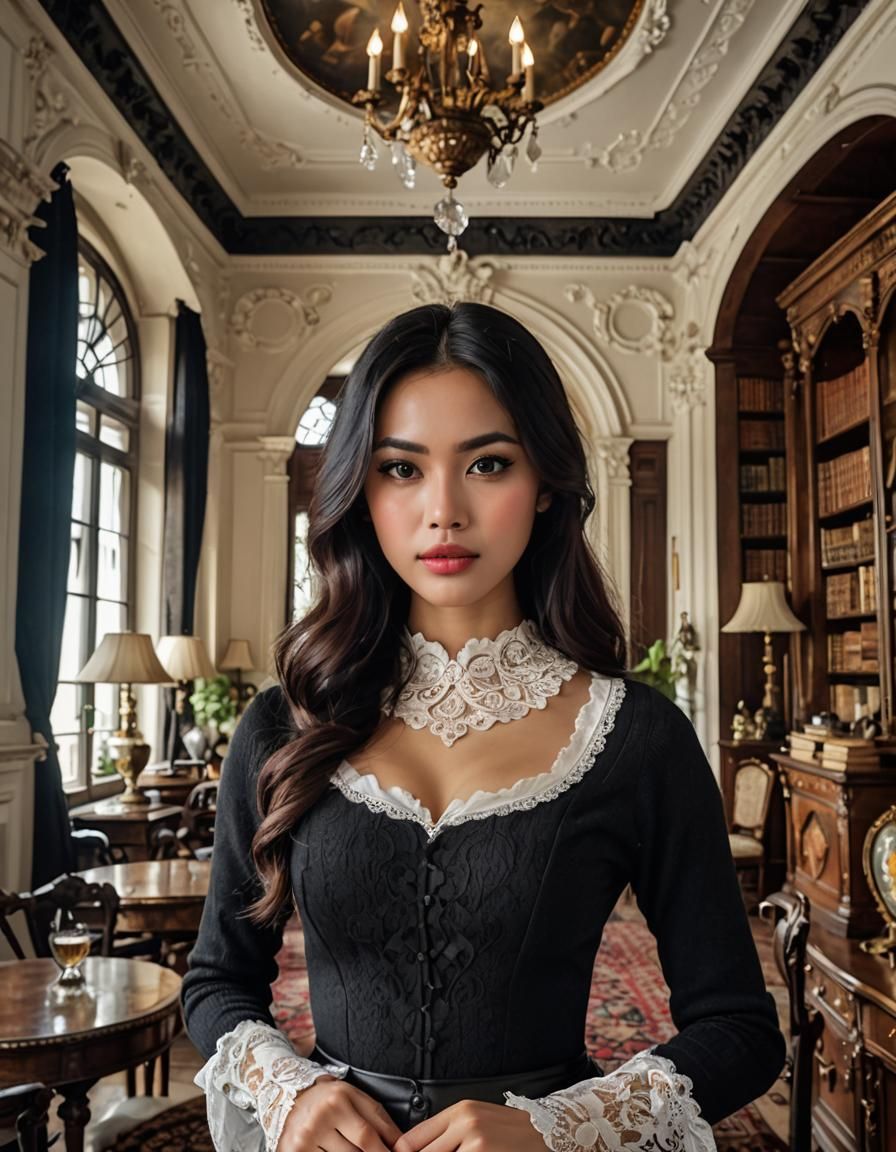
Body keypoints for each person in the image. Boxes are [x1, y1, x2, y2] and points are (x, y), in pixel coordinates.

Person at [182, 302, 785, 1152]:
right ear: (361, 490)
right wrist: (291, 1090)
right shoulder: (284, 726)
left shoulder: (637, 736)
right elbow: (216, 984)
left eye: (488, 463)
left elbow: (741, 1029)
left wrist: (557, 1128)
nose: (443, 511)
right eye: (401, 469)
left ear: (545, 485)